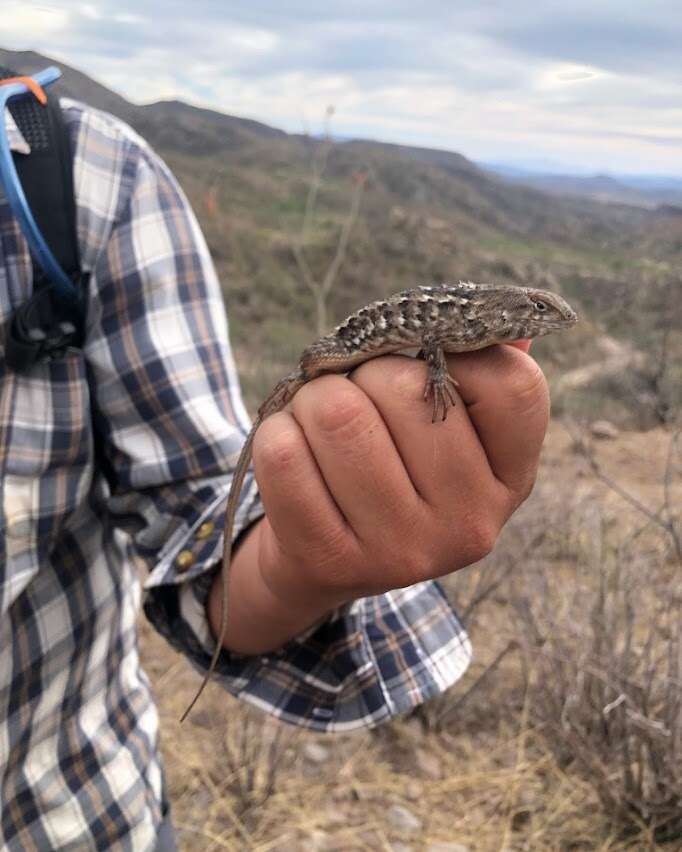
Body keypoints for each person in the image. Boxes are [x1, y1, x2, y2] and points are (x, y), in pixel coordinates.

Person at [0, 90, 550, 851]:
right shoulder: (458, 323)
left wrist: (310, 561)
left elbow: (195, 530)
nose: (543, 322)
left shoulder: (89, 172)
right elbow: (415, 343)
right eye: (539, 311)